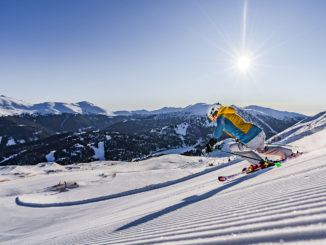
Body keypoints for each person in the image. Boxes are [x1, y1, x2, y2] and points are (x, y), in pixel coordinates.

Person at [205, 103, 293, 172]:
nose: (213, 119)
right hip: (259, 132)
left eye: (212, 117)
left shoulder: (221, 116)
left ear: (215, 111)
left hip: (250, 137)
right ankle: (287, 153)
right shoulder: (229, 112)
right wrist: (239, 137)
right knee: (262, 150)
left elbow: (219, 127)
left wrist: (212, 141)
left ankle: (259, 163)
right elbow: (238, 126)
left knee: (232, 147)